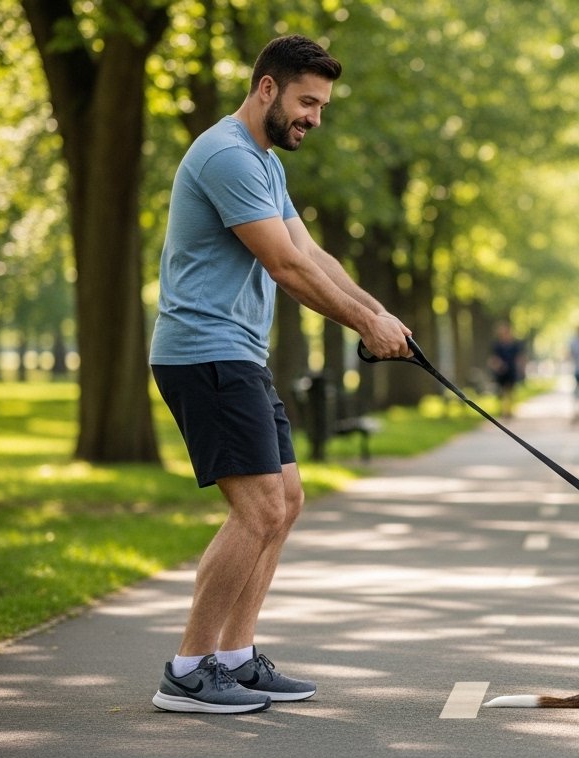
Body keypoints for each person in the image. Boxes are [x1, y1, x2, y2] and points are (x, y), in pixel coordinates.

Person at [147, 34, 411, 715]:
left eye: (320, 106)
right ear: (267, 87)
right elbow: (286, 269)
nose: (314, 118)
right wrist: (362, 326)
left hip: (237, 354)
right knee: (257, 507)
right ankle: (188, 668)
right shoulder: (227, 156)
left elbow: (310, 251)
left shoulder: (264, 163)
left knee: (286, 501)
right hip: (204, 353)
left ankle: (234, 656)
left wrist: (378, 311)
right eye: (306, 102)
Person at [488, 321, 526, 418]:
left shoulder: (515, 344)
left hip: (511, 370)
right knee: (501, 391)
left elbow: (519, 357)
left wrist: (521, 367)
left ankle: (508, 411)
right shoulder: (496, 345)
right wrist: (498, 365)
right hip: (500, 371)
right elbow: (493, 358)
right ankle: (503, 409)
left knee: (510, 391)